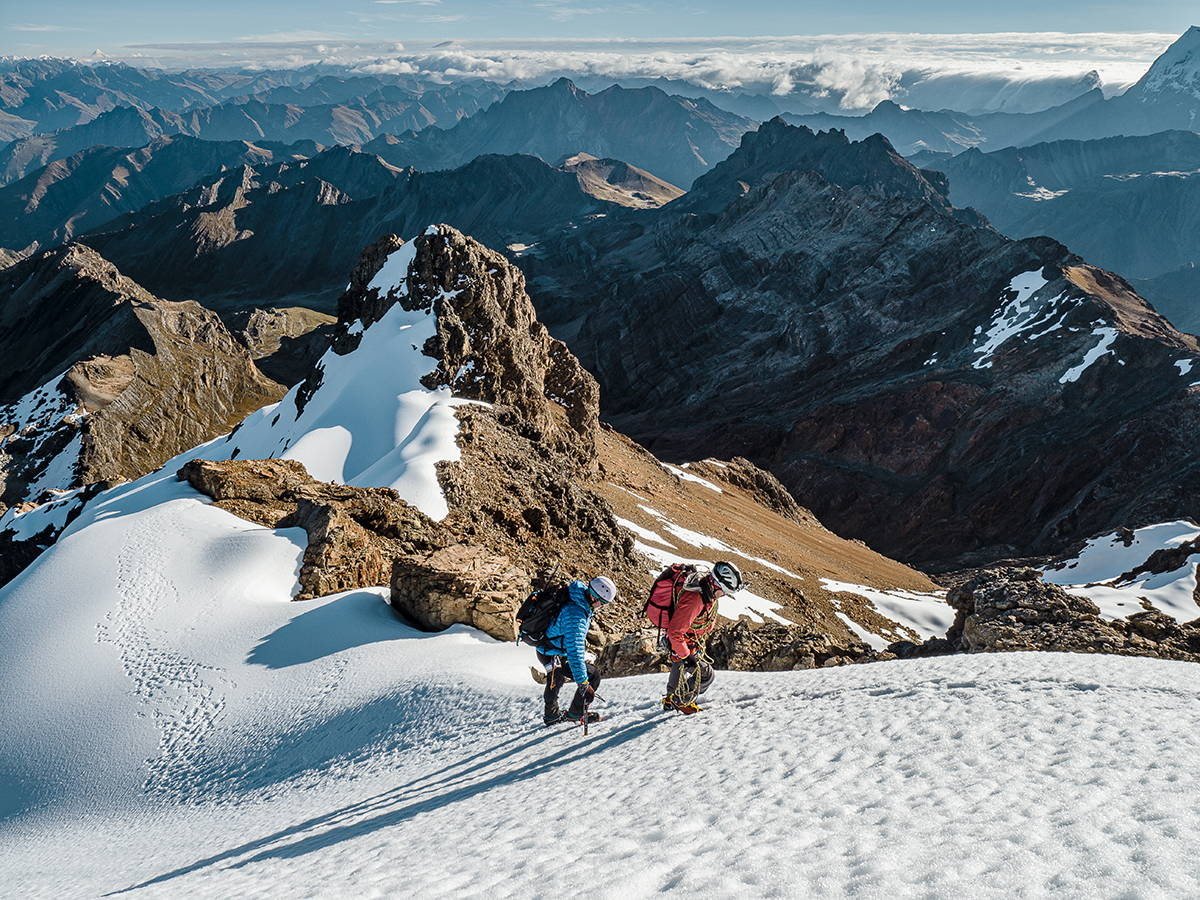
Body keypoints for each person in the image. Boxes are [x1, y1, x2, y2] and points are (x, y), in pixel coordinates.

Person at [649, 560, 744, 714]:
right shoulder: (695, 599)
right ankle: (682, 701)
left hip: (685, 640)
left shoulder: (705, 587)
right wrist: (687, 656)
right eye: (725, 591)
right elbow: (675, 632)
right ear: (717, 585)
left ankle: (670, 698)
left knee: (679, 664)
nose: (725, 595)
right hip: (683, 641)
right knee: (706, 675)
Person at [537, 575, 618, 725]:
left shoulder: (577, 595)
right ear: (595, 598)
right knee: (589, 676)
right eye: (603, 603)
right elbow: (575, 652)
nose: (603, 606)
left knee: (556, 677)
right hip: (551, 651)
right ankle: (572, 714)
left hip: (550, 647)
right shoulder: (577, 617)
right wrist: (583, 684)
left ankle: (553, 715)